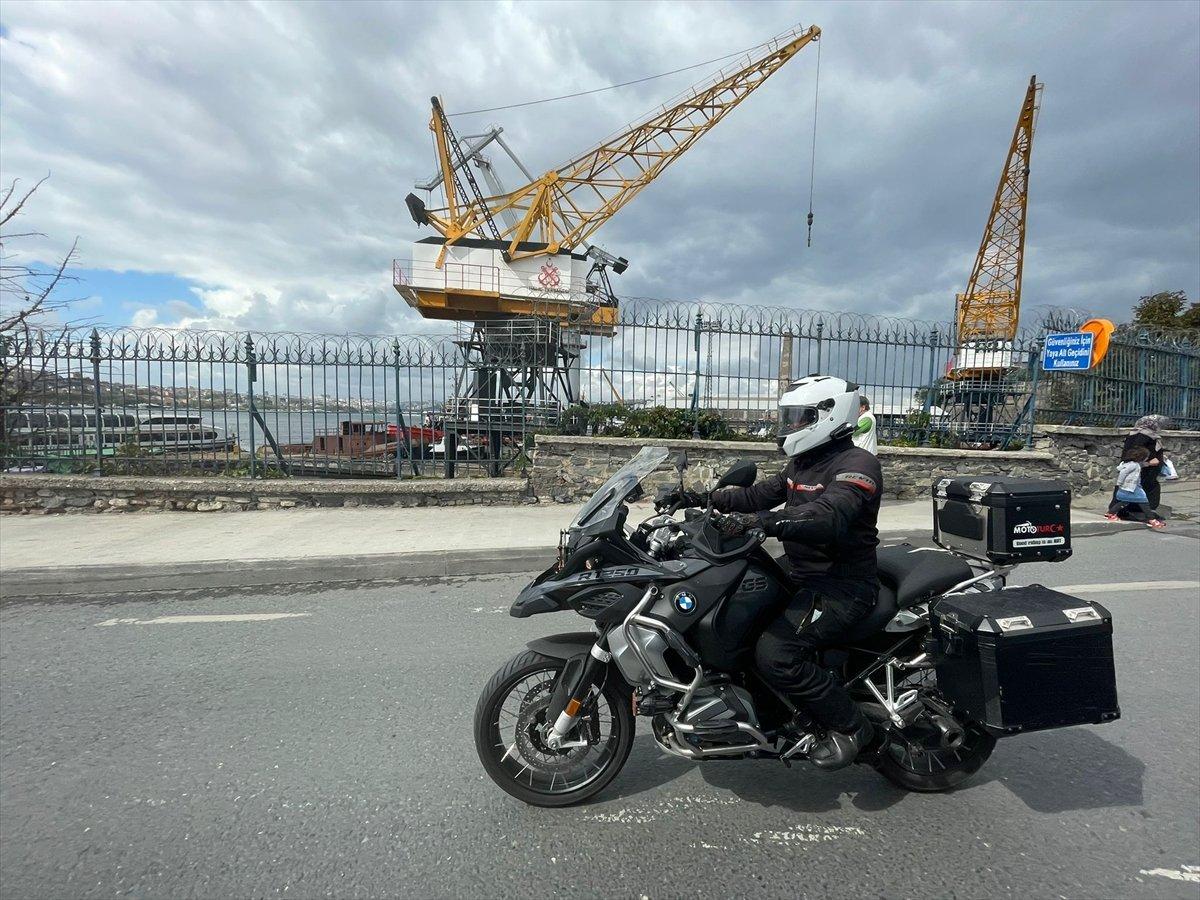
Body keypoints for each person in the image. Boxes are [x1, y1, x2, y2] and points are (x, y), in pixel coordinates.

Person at [665, 376, 882, 770]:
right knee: (735, 615)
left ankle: (853, 728)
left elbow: (828, 516)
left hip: (842, 585)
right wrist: (699, 499)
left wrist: (763, 523)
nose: (792, 426)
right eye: (791, 417)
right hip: (801, 574)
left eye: (800, 418)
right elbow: (758, 494)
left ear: (830, 416)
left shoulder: (857, 465)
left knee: (776, 653)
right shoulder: (804, 462)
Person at [1105, 446, 1164, 527]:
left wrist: (1149, 463)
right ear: (1141, 457)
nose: (1147, 458)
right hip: (1132, 487)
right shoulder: (1133, 465)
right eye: (1146, 457)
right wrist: (1119, 483)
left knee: (1124, 501)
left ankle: (1110, 513)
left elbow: (1141, 465)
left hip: (1129, 487)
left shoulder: (1133, 464)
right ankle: (1151, 519)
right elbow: (1123, 473)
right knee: (1144, 501)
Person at [1123, 415, 1171, 515]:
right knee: (1148, 488)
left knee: (1139, 488)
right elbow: (1136, 452)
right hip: (1146, 469)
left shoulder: (1136, 434)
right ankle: (1147, 511)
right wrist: (1148, 462)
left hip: (1144, 468)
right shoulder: (1144, 435)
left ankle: (1139, 509)